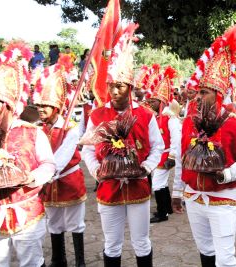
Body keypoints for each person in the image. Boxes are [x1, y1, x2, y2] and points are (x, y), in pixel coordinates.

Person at [82, 23, 164, 267]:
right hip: (108, 189)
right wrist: (97, 171)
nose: (114, 91)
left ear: (130, 87)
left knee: (141, 242)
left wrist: (146, 168)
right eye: (111, 86)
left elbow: (158, 148)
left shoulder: (146, 115)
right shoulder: (96, 116)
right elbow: (87, 149)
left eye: (120, 86)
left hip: (138, 188)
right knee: (112, 244)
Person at [173, 25, 236, 267]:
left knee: (225, 258)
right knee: (205, 250)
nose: (198, 97)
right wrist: (178, 192)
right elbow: (180, 158)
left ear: (219, 95)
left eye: (205, 92)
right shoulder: (188, 122)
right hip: (193, 196)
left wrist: (226, 174)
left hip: (222, 198)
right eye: (198, 92)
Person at [0, 42, 56, 267]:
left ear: (8, 105)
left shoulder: (31, 131)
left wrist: (33, 177)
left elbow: (48, 165)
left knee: (31, 262)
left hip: (27, 212)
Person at [33, 54, 87, 267]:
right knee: (54, 223)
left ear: (56, 107)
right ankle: (58, 259)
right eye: (39, 106)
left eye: (45, 106)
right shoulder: (38, 129)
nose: (41, 110)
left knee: (75, 223)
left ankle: (80, 262)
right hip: (48, 184)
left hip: (68, 181)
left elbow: (62, 158)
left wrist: (44, 173)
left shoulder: (70, 129)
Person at [144, 66, 181, 223]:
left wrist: (172, 156)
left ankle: (162, 213)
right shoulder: (158, 117)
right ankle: (166, 208)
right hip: (160, 154)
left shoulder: (169, 117)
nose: (150, 103)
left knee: (158, 183)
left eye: (153, 101)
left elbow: (176, 139)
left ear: (160, 101)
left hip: (166, 154)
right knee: (161, 182)